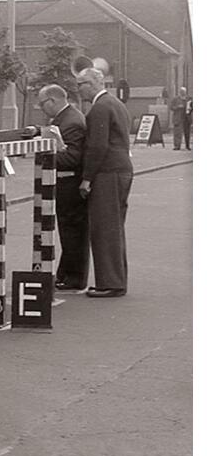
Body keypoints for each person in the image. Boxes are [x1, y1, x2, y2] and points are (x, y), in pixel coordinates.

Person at [75, 67, 133, 298]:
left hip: (108, 173)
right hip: (120, 170)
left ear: (91, 84)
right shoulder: (116, 104)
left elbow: (97, 146)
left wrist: (86, 179)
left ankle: (110, 283)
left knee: (104, 228)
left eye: (81, 85)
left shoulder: (99, 108)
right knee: (115, 227)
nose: (79, 90)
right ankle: (116, 279)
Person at [36, 83, 88, 291]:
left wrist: (45, 154)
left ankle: (74, 278)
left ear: (53, 100)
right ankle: (66, 275)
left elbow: (73, 157)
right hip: (67, 182)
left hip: (69, 183)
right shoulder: (66, 118)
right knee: (70, 231)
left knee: (71, 231)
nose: (41, 108)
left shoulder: (71, 122)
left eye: (42, 104)